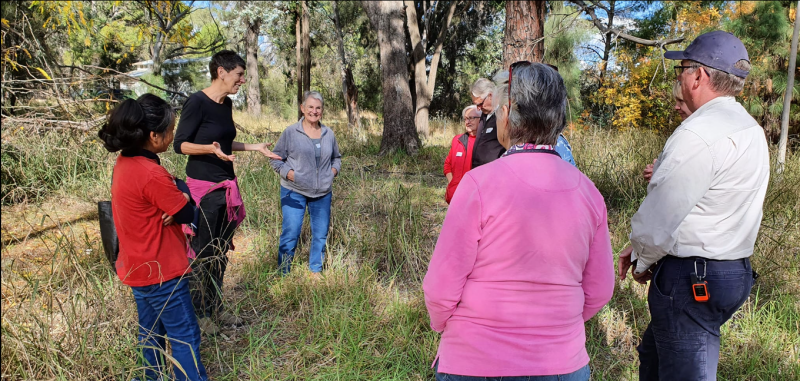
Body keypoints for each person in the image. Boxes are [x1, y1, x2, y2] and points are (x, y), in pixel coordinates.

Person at [423, 63, 614, 380]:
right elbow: (599, 290)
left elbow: (440, 288)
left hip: (475, 359)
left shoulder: (478, 185)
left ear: (508, 111)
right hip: (561, 363)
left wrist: (447, 325)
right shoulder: (588, 193)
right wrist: (556, 327)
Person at [618, 31, 769, 381]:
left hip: (694, 276)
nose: (679, 78)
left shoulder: (698, 132)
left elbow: (661, 214)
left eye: (682, 69)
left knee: (687, 371)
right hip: (733, 271)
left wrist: (641, 259)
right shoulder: (750, 129)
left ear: (698, 76)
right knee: (654, 353)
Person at [98, 94, 207, 381]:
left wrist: (180, 190)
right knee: (184, 337)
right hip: (163, 272)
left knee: (149, 333)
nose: (173, 136)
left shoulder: (126, 163)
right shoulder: (151, 174)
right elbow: (186, 213)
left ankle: (150, 377)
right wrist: (183, 197)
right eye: (170, 130)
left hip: (137, 268)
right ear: (153, 135)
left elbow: (177, 186)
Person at [173, 50, 281, 335]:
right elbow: (180, 144)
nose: (242, 80)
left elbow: (224, 143)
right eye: (239, 74)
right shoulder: (196, 102)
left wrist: (254, 147)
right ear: (221, 72)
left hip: (227, 189)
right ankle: (200, 315)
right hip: (204, 190)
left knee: (220, 252)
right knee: (202, 253)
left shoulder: (226, 105)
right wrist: (208, 149)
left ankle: (216, 307)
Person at [270, 91, 342, 277]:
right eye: (310, 107)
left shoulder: (328, 133)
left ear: (322, 111)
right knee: (291, 233)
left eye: (318, 108)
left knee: (320, 234)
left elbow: (337, 158)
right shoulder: (291, 132)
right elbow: (275, 159)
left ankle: (315, 271)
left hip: (322, 193)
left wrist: (332, 173)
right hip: (293, 191)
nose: (314, 111)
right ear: (302, 108)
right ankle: (283, 273)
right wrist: (291, 174)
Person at [643, 81, 693, 182]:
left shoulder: (692, 135)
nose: (676, 107)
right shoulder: (685, 130)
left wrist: (661, 175)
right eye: (676, 101)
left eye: (681, 101)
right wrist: (659, 171)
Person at [443, 105, 480, 204]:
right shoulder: (457, 140)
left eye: (471, 118)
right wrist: (452, 183)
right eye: (465, 119)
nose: (467, 122)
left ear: (481, 120)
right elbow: (447, 165)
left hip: (475, 199)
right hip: (455, 198)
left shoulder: (485, 143)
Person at [469, 78, 505, 168]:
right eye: (476, 105)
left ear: (490, 96)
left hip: (495, 173)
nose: (478, 108)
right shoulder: (484, 115)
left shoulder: (503, 115)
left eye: (480, 104)